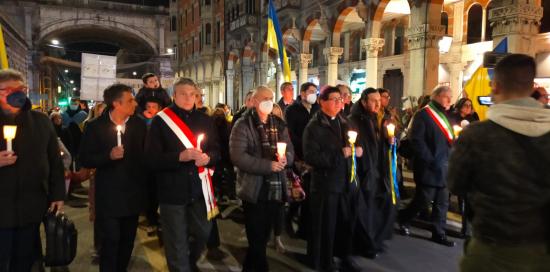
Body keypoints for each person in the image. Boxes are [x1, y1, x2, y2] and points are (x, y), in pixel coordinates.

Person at [449, 54, 550, 271]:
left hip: (490, 249)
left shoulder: (477, 135)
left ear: (495, 86)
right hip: (541, 251)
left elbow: (455, 184)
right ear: (532, 86)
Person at [145, 78, 220, 272]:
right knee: (176, 241)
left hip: (199, 189)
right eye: (183, 94)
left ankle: (189, 262)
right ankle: (181, 267)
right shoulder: (161, 121)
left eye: (192, 94)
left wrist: (208, 158)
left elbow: (216, 151)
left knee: (203, 233)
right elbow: (151, 159)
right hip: (172, 190)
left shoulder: (205, 120)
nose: (188, 98)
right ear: (174, 96)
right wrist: (180, 156)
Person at [0, 69, 65, 271]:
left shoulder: (41, 121)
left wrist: (57, 194)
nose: (16, 93)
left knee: (25, 260)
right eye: (8, 89)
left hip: (31, 207)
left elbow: (55, 161)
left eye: (20, 89)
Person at [80, 83, 147, 271]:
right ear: (116, 104)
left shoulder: (139, 125)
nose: (135, 104)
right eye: (130, 100)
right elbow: (85, 158)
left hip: (132, 196)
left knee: (127, 242)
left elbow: (146, 157)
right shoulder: (95, 127)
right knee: (110, 242)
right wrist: (108, 156)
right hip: (108, 197)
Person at [230, 86, 294, 271]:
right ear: (255, 101)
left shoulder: (279, 123)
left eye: (272, 97)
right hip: (254, 189)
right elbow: (238, 157)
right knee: (256, 236)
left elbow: (290, 150)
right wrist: (267, 165)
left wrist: (285, 159)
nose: (269, 101)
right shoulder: (243, 124)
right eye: (265, 98)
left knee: (263, 236)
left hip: (275, 188)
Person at [303, 86, 361, 271]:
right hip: (325, 184)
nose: (339, 102)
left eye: (340, 99)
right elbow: (311, 157)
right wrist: (340, 154)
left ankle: (343, 257)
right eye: (334, 99)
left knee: (343, 223)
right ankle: (323, 262)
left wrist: (356, 150)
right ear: (322, 102)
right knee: (324, 227)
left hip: (345, 182)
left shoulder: (343, 122)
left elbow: (351, 145)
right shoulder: (314, 127)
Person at [398, 85, 456, 247]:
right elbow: (417, 140)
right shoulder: (423, 115)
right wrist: (430, 159)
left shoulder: (445, 115)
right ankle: (404, 217)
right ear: (436, 96)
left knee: (442, 202)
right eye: (446, 96)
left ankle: (439, 233)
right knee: (423, 199)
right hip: (429, 167)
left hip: (445, 166)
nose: (450, 100)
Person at [348, 88, 395, 258]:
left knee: (377, 209)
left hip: (378, 172)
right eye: (373, 100)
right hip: (363, 172)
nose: (378, 103)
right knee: (363, 212)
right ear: (363, 102)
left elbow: (380, 146)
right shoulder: (354, 121)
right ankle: (364, 245)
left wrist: (389, 141)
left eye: (379, 100)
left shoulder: (378, 119)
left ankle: (374, 241)